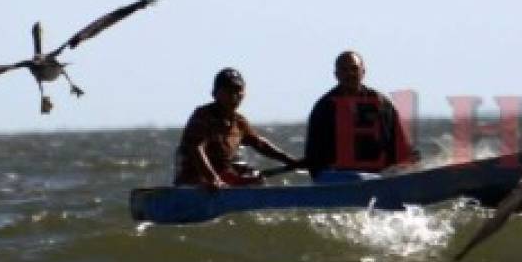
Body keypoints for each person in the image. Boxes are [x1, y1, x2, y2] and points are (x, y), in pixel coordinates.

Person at [173, 68, 301, 188]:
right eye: (228, 91)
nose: (234, 96)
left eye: (238, 90)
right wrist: (213, 179)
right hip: (195, 181)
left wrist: (291, 161)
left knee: (255, 177)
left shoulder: (239, 122)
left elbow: (260, 144)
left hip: (222, 179)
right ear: (215, 93)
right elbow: (196, 148)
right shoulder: (202, 116)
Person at [302, 51, 417, 177]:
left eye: (354, 69)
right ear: (337, 75)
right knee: (357, 177)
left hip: (376, 175)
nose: (350, 74)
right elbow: (314, 153)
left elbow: (398, 142)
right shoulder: (324, 107)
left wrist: (409, 159)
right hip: (336, 176)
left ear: (363, 72)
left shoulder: (382, 103)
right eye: (344, 70)